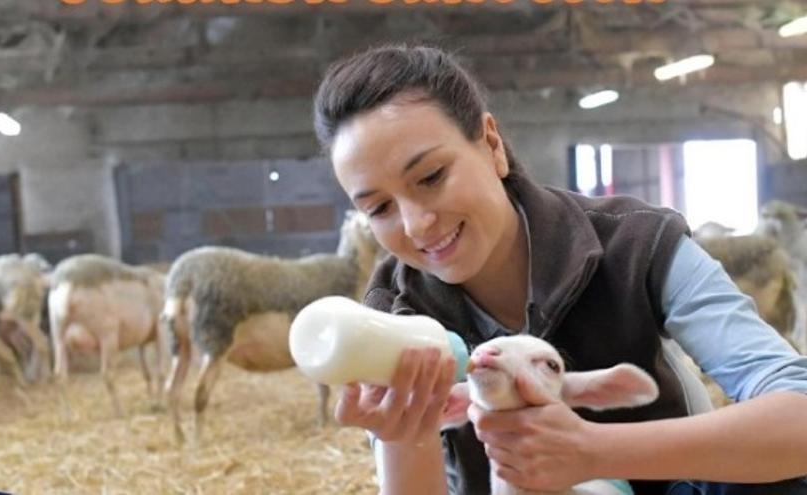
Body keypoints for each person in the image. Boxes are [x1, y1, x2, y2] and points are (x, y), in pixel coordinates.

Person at [311, 44, 807, 495]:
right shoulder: (395, 319)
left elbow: (797, 412)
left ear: (491, 144)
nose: (416, 226)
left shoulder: (638, 243)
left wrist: (593, 451)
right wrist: (404, 437)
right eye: (378, 209)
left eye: (432, 177)